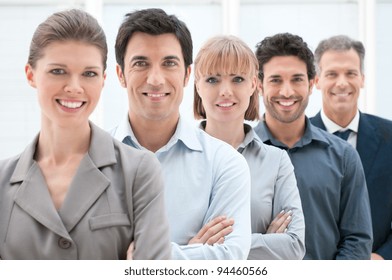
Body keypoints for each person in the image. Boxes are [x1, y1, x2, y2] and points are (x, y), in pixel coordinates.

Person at [0, 9, 171, 260]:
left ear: (103, 80)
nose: (74, 87)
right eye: (58, 71)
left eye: (89, 74)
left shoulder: (139, 171)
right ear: (31, 75)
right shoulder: (2, 183)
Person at [111, 8, 251, 259]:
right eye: (141, 63)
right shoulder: (88, 160)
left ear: (187, 75)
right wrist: (193, 253)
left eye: (169, 63)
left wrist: (140, 256)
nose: (155, 79)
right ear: (121, 75)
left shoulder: (225, 163)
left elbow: (230, 258)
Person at [253, 32, 373, 259]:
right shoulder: (237, 155)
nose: (286, 91)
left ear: (311, 84)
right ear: (259, 85)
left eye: (297, 79)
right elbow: (228, 244)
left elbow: (357, 240)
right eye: (275, 80)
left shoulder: (343, 156)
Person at [193, 35, 305, 259]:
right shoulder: (175, 155)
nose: (225, 91)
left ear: (254, 84)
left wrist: (204, 247)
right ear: (197, 85)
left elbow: (293, 246)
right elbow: (164, 245)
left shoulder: (277, 162)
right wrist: (263, 242)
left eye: (237, 79)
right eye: (213, 80)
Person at [310, 35, 392, 260]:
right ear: (317, 80)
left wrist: (382, 258)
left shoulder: (389, 137)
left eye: (350, 73)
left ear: (363, 79)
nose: (342, 82)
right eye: (332, 74)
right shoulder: (295, 139)